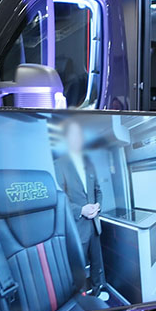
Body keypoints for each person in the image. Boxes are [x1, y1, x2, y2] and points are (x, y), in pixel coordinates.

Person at [54, 118, 105, 296]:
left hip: (94, 225)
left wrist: (98, 205)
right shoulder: (59, 164)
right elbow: (60, 199)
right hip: (77, 226)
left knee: (97, 263)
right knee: (79, 267)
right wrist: (81, 210)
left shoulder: (89, 163)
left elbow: (98, 190)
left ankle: (97, 292)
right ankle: (83, 300)